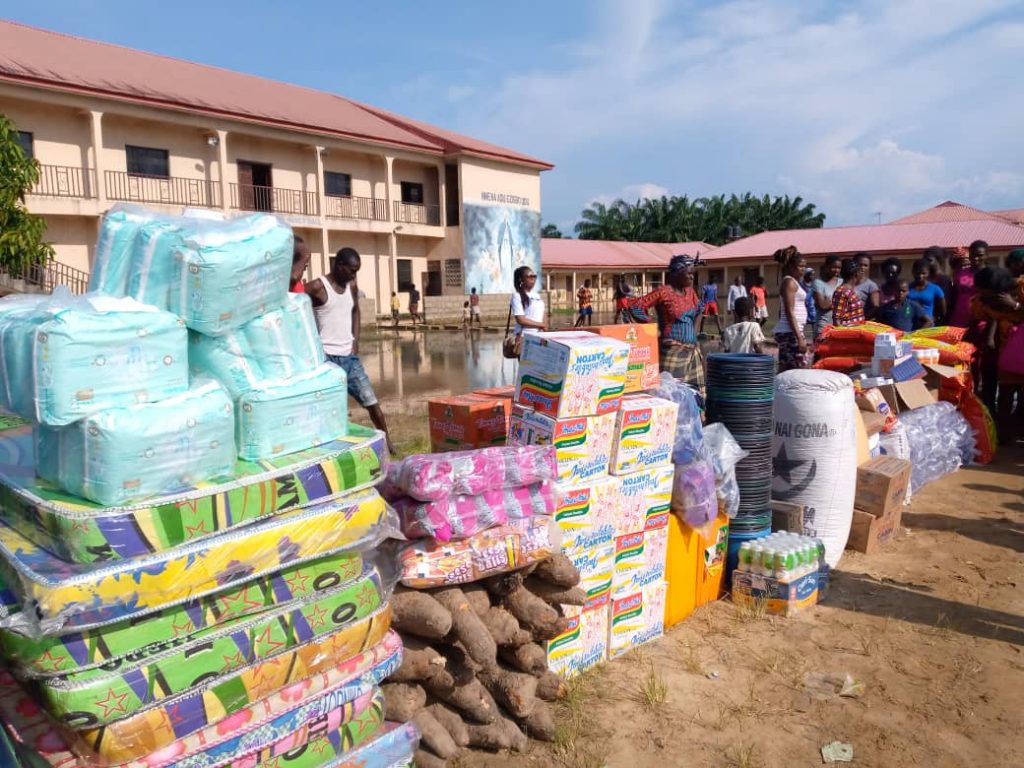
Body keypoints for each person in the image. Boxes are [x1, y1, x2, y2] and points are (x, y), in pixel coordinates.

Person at [309, 247, 394, 454]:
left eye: (357, 271)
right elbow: (295, 307)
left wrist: (356, 340)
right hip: (326, 360)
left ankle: (388, 443)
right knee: (329, 409)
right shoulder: (317, 287)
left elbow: (355, 309)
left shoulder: (352, 286)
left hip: (350, 357)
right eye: (352, 270)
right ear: (339, 266)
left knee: (371, 401)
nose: (354, 275)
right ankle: (327, 449)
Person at [625, 255, 705, 388]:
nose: (692, 277)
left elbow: (700, 309)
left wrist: (694, 334)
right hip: (672, 352)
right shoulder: (663, 292)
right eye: (688, 274)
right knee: (671, 392)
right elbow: (635, 306)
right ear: (677, 273)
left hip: (692, 352)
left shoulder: (690, 292)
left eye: (693, 274)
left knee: (695, 394)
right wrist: (651, 325)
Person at [972, 266, 1024, 436]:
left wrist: (1015, 305)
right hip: (1007, 355)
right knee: (1005, 394)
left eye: (985, 291)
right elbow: (988, 318)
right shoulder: (983, 301)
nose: (982, 294)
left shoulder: (1020, 288)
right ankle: (1003, 432)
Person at [772, 246, 810, 371]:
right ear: (791, 267)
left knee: (792, 368)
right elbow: (789, 311)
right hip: (790, 333)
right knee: (795, 369)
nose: (803, 269)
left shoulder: (795, 282)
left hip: (793, 332)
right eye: (800, 266)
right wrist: (799, 337)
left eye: (804, 266)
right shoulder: (789, 283)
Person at [949, 241, 987, 328]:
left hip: (981, 322)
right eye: (973, 255)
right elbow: (954, 296)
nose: (976, 258)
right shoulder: (960, 273)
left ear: (987, 255)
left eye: (980, 255)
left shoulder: (989, 274)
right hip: (958, 320)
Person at [812, 255, 842, 338]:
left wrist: (830, 301)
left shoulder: (842, 282)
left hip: (839, 327)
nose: (836, 270)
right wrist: (839, 301)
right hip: (823, 326)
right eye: (833, 267)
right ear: (826, 267)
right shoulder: (818, 283)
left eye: (839, 268)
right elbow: (822, 305)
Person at [908, 259, 947, 324]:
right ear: (913, 272)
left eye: (923, 273)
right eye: (918, 273)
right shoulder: (907, 288)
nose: (920, 276)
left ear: (928, 273)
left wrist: (935, 319)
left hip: (928, 327)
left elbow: (943, 311)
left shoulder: (935, 289)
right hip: (910, 325)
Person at [511, 265, 546, 336]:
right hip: (524, 336)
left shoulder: (537, 295)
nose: (533, 279)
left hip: (539, 335)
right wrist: (541, 325)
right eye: (530, 277)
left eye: (534, 276)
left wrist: (543, 326)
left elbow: (543, 313)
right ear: (521, 279)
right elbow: (521, 320)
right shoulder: (517, 296)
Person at [831, 259, 866, 327]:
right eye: (860, 271)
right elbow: (837, 321)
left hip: (857, 332)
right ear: (856, 274)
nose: (862, 272)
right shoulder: (842, 292)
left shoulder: (850, 291)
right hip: (849, 335)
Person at [924, 245, 953, 323]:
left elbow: (946, 304)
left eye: (929, 260)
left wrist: (937, 318)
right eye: (924, 260)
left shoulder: (944, 280)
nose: (926, 263)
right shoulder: (924, 278)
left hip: (937, 323)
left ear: (938, 261)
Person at [852, 252, 880, 319]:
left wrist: (862, 319)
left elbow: (875, 307)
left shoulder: (871, 286)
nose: (862, 267)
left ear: (869, 267)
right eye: (860, 264)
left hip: (859, 324)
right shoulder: (843, 282)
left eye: (865, 265)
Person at [802, 267, 818, 337]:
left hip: (813, 309)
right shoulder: (800, 284)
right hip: (803, 308)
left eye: (813, 275)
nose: (812, 277)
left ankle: (815, 341)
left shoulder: (815, 285)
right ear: (806, 275)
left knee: (814, 327)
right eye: (811, 275)